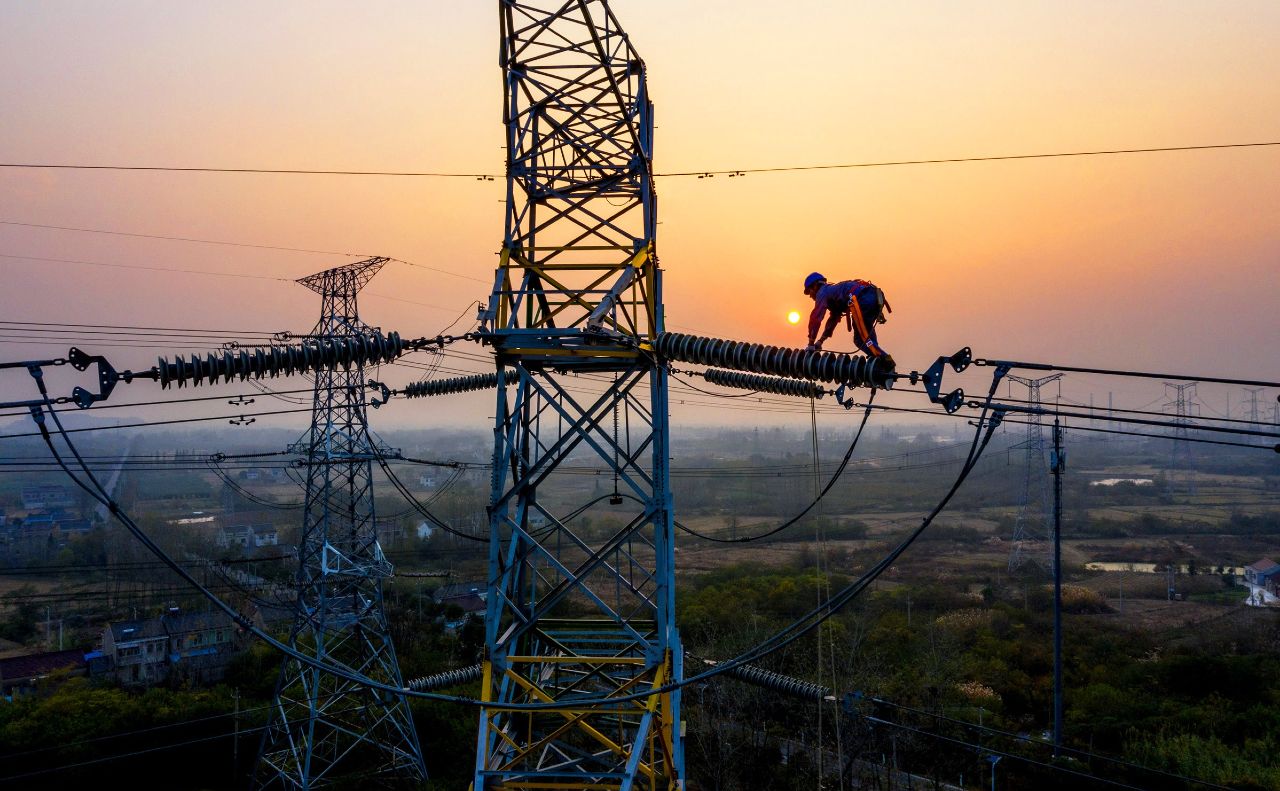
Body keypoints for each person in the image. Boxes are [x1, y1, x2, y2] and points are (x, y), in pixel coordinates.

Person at [803, 272, 894, 368]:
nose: (810, 296)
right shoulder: (832, 292)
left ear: (815, 286)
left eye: (809, 292)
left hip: (862, 300)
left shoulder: (822, 293)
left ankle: (885, 360)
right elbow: (833, 319)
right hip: (873, 296)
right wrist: (820, 341)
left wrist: (811, 343)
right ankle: (878, 362)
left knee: (860, 340)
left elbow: (815, 319)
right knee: (867, 339)